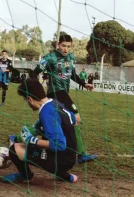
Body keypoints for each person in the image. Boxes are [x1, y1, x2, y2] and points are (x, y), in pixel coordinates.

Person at [31, 34, 97, 164]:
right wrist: (36, 88)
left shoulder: (71, 58)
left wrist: (84, 84)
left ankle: (17, 138)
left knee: (50, 123)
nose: (66, 49)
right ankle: (81, 154)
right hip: (56, 93)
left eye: (68, 46)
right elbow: (34, 72)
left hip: (63, 93)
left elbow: (72, 74)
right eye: (63, 46)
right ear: (58, 45)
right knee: (76, 118)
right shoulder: (50, 58)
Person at [3, 78, 78, 183]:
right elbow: (74, 120)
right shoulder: (54, 103)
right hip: (71, 156)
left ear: (30, 99)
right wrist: (16, 138)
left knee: (14, 149)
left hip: (61, 160)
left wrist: (31, 140)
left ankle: (26, 176)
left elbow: (59, 145)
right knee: (41, 141)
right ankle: (66, 176)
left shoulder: (46, 112)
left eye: (26, 100)